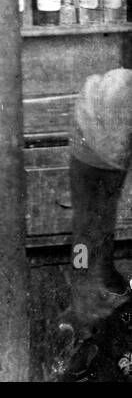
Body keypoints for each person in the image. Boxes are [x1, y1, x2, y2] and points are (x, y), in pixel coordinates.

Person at [63, 68, 132, 338]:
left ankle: (93, 283)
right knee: (91, 222)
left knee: (95, 222)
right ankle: (83, 298)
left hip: (105, 106)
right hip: (100, 119)